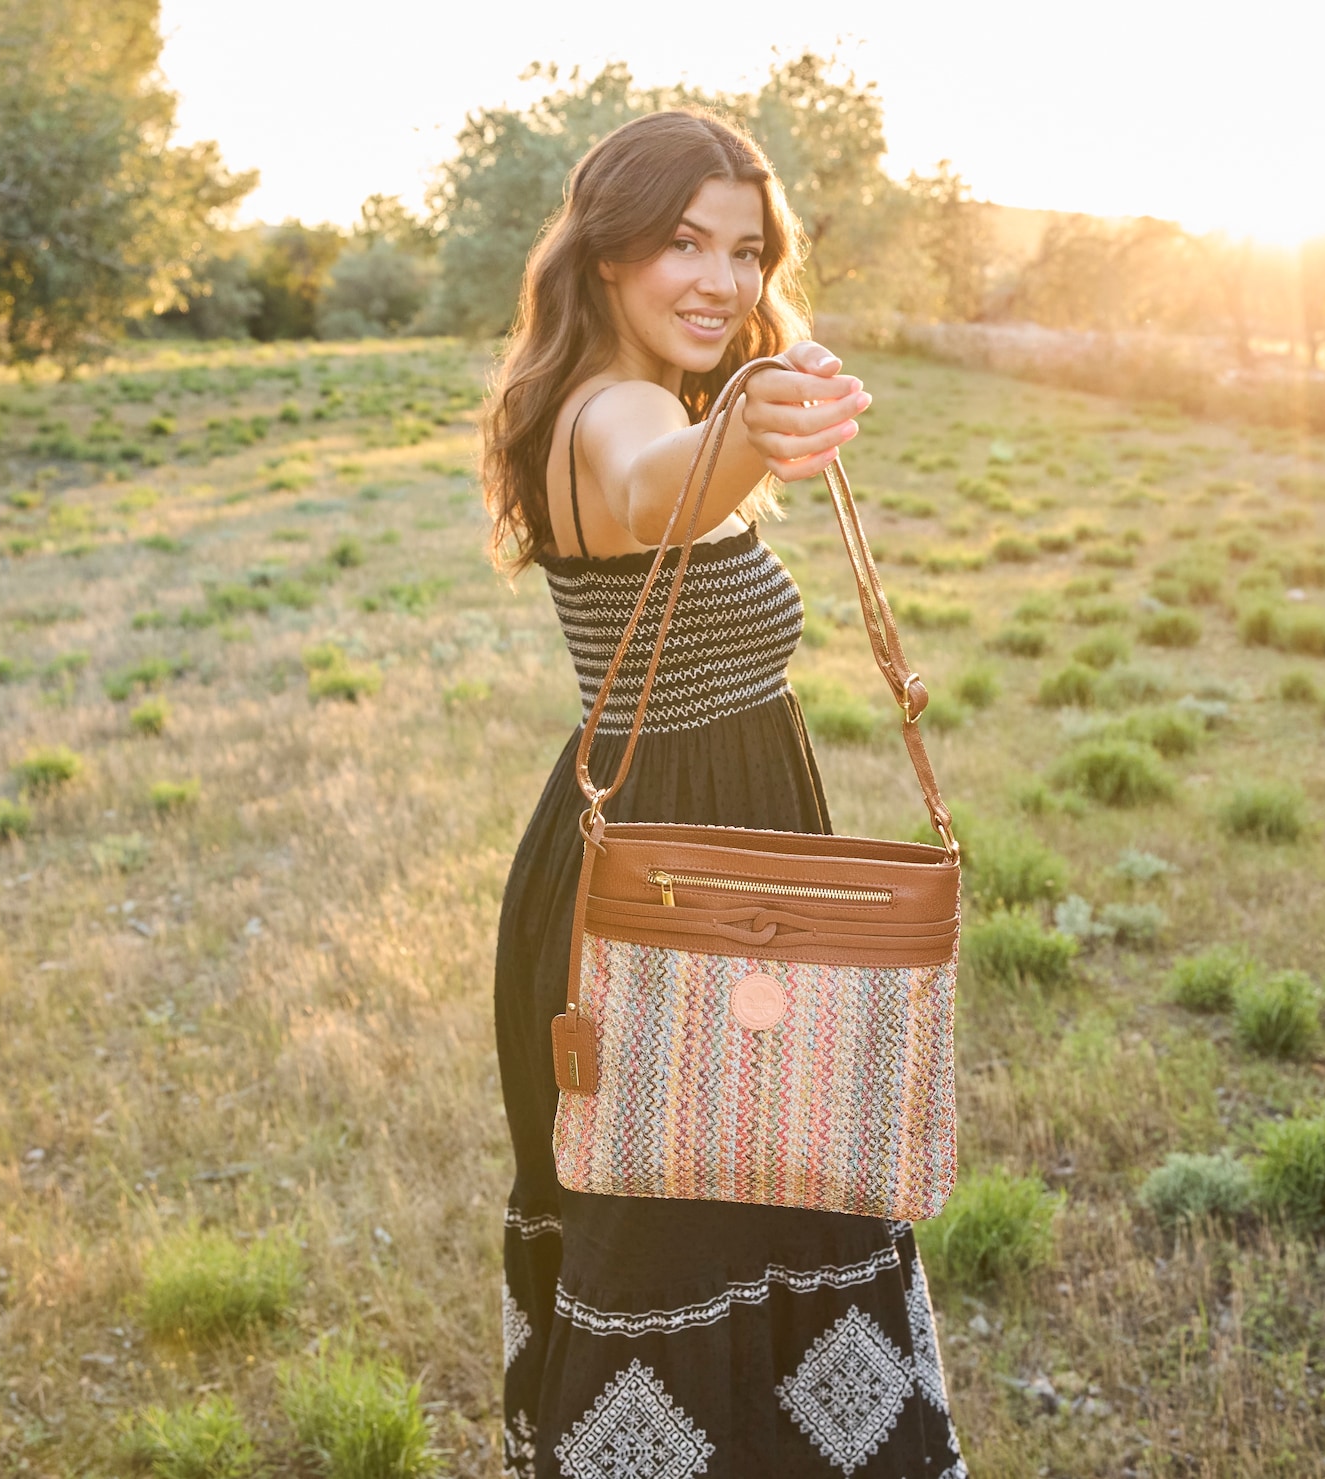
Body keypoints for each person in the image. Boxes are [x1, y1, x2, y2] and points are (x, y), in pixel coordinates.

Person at [479, 109, 968, 1479]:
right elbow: (655, 495)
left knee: (754, 1189)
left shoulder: (629, 395)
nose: (721, 278)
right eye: (683, 241)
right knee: (694, 1214)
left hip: (701, 875)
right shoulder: (615, 413)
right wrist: (750, 423)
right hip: (674, 901)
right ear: (608, 252)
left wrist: (738, 419)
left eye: (746, 250)